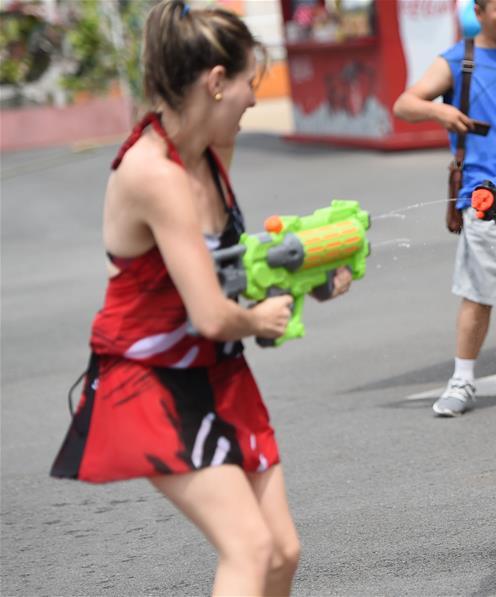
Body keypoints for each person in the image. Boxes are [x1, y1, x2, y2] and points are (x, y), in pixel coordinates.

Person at [49, 2, 352, 594]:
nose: (254, 101)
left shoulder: (213, 153)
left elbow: (233, 275)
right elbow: (212, 313)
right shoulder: (153, 174)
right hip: (150, 380)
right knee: (250, 549)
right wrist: (258, 317)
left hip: (217, 372)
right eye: (249, 84)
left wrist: (309, 278)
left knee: (283, 551)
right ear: (217, 83)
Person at [393, 0, 496, 416]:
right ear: (480, 12)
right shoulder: (459, 60)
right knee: (479, 294)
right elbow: (404, 104)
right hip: (487, 198)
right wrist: (438, 109)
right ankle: (463, 379)